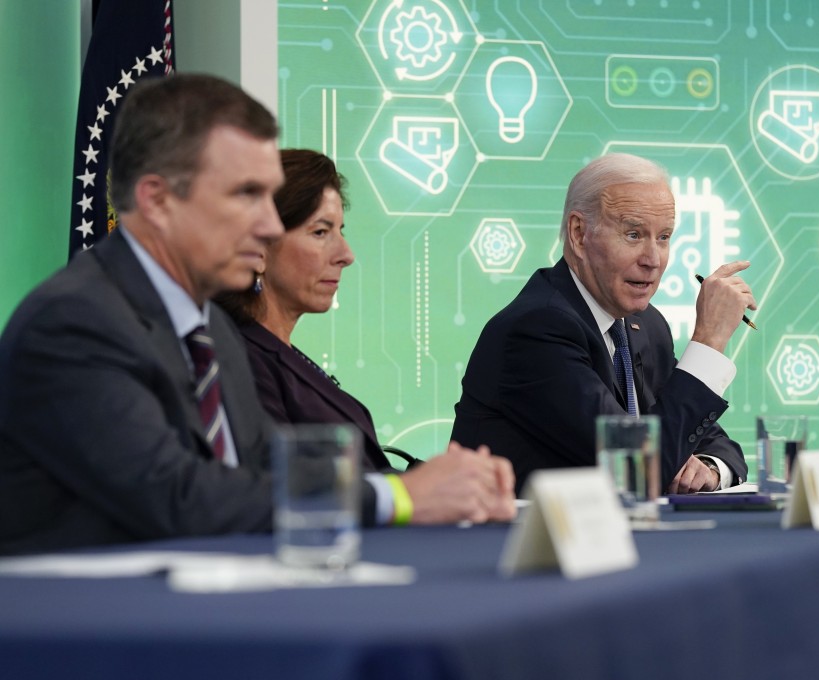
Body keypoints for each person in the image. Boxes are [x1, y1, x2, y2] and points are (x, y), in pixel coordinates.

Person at [0, 74, 509, 557]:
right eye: (247, 194)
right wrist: (397, 498)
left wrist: (442, 481)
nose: (268, 224)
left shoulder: (210, 329)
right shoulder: (74, 322)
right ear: (157, 200)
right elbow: (180, 497)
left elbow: (269, 464)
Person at [217, 149, 515, 525]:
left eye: (341, 232)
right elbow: (283, 489)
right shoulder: (239, 358)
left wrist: (450, 486)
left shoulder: (278, 353)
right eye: (320, 232)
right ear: (258, 248)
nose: (346, 254)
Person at [451, 153, 755, 496]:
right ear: (579, 234)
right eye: (634, 234)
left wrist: (711, 468)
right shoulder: (537, 329)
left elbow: (706, 437)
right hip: (516, 544)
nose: (652, 260)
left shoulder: (646, 325)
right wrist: (709, 340)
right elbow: (637, 468)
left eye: (664, 237)